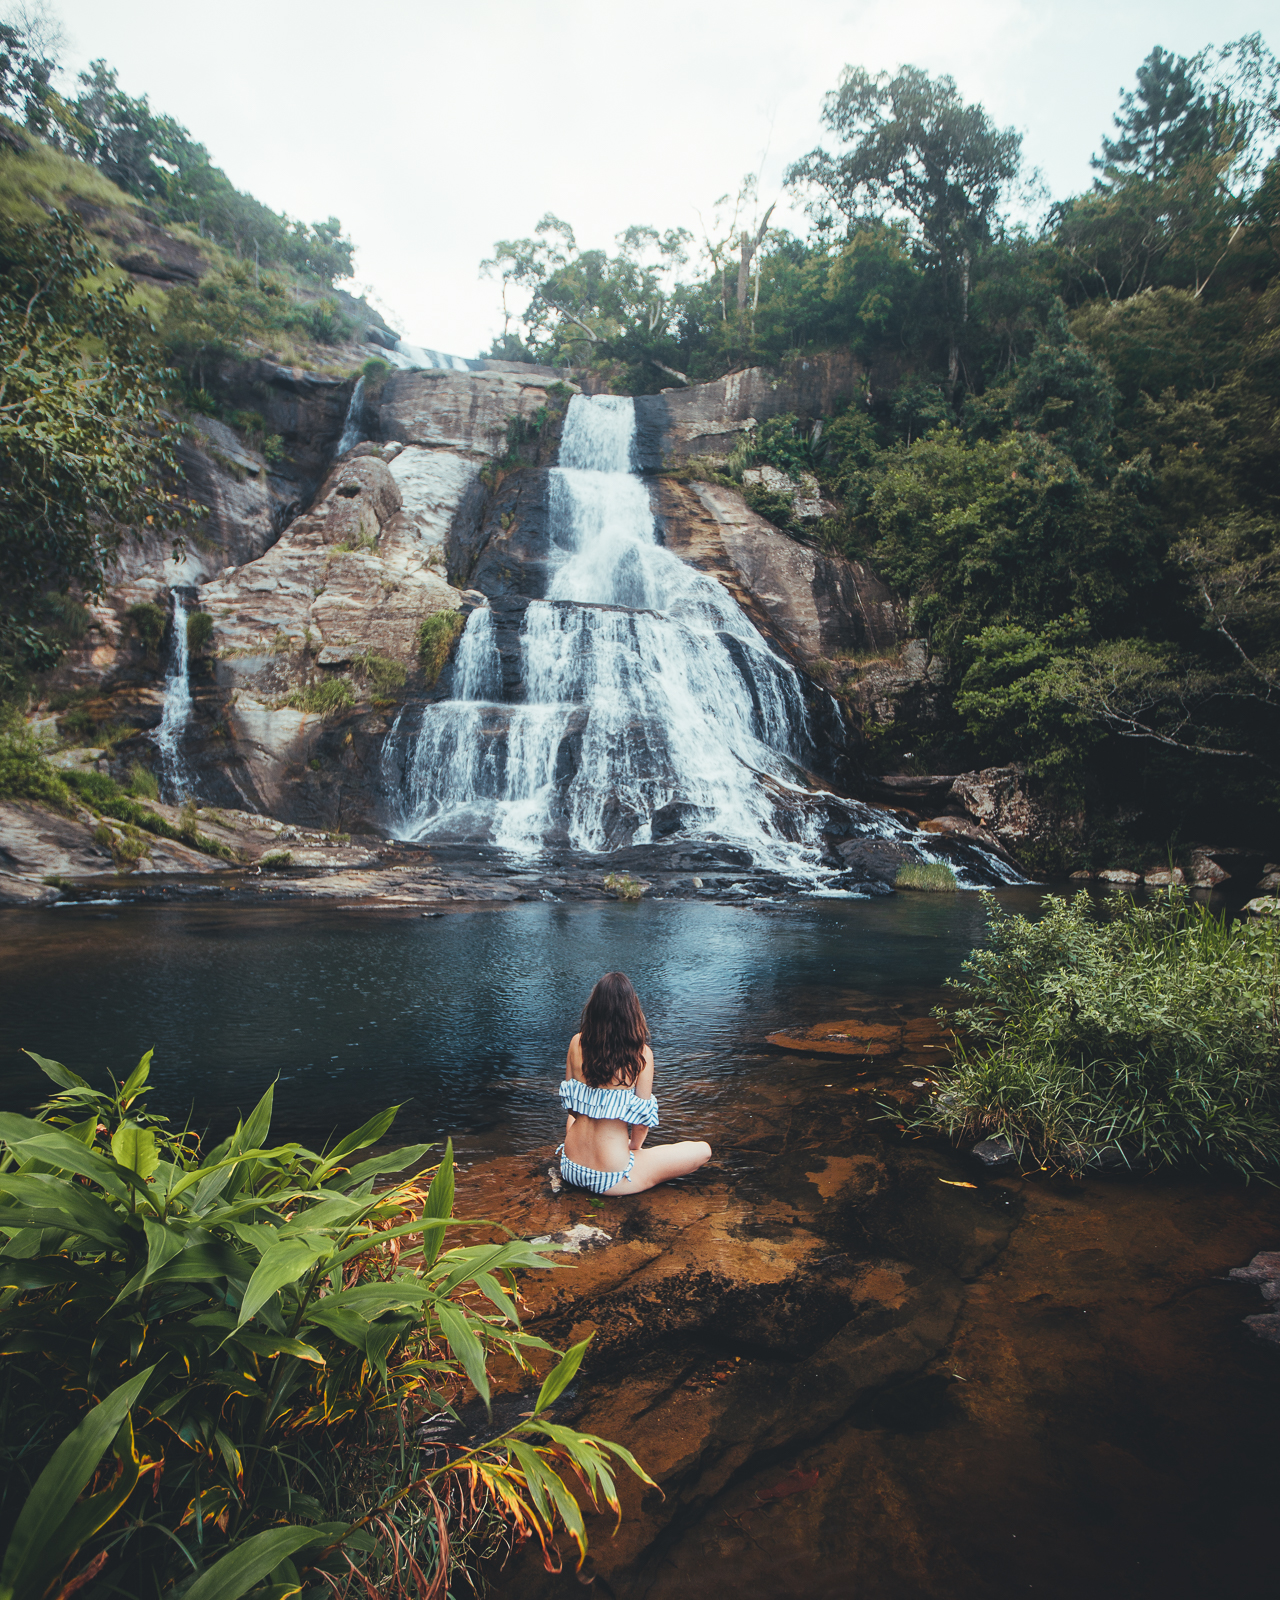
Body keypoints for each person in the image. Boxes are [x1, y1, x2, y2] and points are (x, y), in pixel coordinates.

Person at [557, 971, 711, 1196]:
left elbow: (572, 1108)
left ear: (595, 1007)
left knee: (576, 1119)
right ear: (631, 1010)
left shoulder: (575, 1042)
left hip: (570, 1166)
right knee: (702, 1151)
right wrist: (633, 1150)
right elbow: (641, 1123)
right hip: (611, 1177)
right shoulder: (641, 1055)